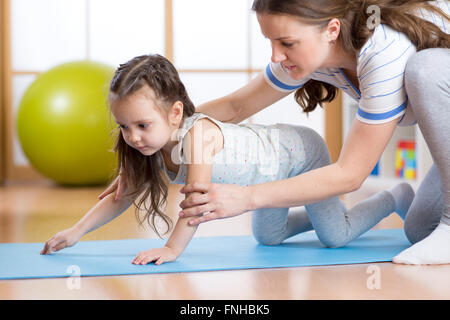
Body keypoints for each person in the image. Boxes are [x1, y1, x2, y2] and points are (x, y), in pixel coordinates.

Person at [102, 0, 450, 265]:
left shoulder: (383, 50)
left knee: (423, 69)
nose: (276, 55)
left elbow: (350, 173)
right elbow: (238, 107)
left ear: (330, 30)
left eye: (286, 42)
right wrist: (160, 138)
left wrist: (248, 197)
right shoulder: (313, 55)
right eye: (270, 41)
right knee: (418, 231)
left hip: (430, 73)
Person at [41, 54, 413, 265]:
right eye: (124, 126)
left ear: (174, 114)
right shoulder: (150, 148)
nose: (133, 137)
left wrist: (172, 249)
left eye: (142, 124)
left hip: (300, 154)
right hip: (265, 181)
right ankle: (318, 211)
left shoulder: (197, 135)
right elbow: (121, 197)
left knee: (336, 236)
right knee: (268, 237)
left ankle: (395, 197)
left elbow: (197, 200)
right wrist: (75, 232)